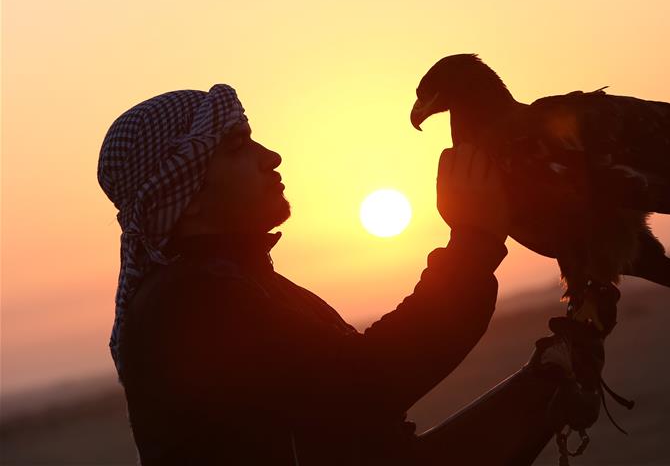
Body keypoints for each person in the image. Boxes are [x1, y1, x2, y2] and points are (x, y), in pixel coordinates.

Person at [97, 84, 615, 466]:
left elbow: (379, 448)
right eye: (236, 148)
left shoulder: (232, 283)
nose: (270, 157)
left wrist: (543, 387)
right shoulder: (190, 306)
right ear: (181, 198)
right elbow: (369, 383)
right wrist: (471, 248)